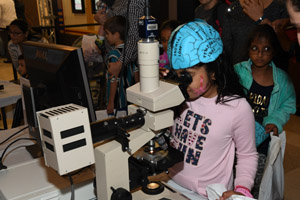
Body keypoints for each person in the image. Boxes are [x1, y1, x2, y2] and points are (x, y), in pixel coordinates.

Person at [162, 19, 258, 199]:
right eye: (178, 74)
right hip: (172, 183)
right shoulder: (180, 96)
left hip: (207, 193)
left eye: (187, 76)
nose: (181, 83)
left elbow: (248, 155)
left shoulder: (236, 108)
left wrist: (242, 188)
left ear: (213, 71)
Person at [234, 24, 296, 198]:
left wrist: (275, 120)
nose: (260, 54)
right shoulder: (238, 71)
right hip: (237, 138)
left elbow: (288, 104)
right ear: (248, 49)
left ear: (274, 51)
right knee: (234, 174)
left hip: (262, 144)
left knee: (256, 181)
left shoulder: (282, 80)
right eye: (255, 48)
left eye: (266, 49)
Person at [222, 0, 290, 65]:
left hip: (276, 74)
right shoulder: (233, 10)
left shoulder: (283, 6)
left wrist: (261, 19)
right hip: (239, 73)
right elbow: (227, 52)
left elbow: (289, 49)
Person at [94, 0, 145, 79]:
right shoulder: (117, 2)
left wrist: (120, 63)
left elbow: (134, 35)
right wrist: (99, 18)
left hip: (124, 65)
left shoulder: (133, 2)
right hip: (112, 57)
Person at [104, 16, 139, 117]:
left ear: (116, 35)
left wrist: (110, 102)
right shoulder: (131, 53)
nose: (106, 36)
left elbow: (113, 80)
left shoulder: (114, 54)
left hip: (117, 102)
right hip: (130, 100)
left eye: (107, 33)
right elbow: (136, 75)